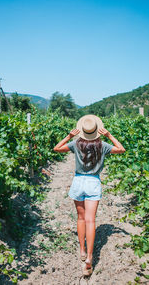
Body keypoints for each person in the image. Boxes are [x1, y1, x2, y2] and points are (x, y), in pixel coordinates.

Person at [53, 114, 125, 276]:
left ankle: (82, 251)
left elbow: (56, 149)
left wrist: (69, 136)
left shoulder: (76, 143)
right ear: (96, 131)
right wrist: (109, 135)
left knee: (80, 218)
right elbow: (121, 149)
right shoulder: (103, 145)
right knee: (90, 220)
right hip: (93, 182)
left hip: (78, 182)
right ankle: (90, 259)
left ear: (82, 131)